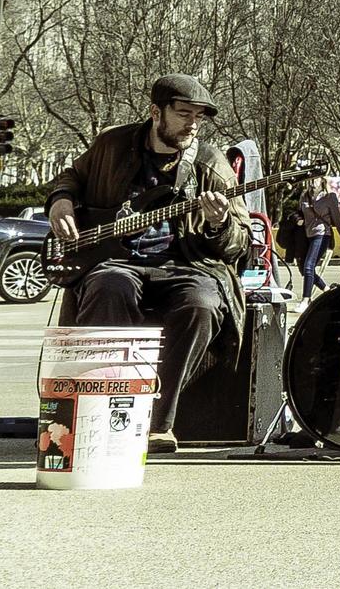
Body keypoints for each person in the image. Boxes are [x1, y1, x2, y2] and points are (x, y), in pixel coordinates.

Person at [45, 74, 250, 453]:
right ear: (156, 112)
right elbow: (71, 175)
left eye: (199, 117)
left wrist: (220, 224)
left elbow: (241, 244)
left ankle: (158, 421)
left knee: (202, 304)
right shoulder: (113, 144)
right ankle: (99, 408)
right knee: (108, 287)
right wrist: (60, 200)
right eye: (183, 113)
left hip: (187, 266)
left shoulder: (210, 162)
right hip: (116, 260)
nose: (192, 124)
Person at [297, 175, 340, 307]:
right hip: (306, 234)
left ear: (322, 180)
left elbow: (338, 219)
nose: (312, 182)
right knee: (304, 269)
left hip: (322, 234)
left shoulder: (329, 197)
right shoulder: (304, 195)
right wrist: (297, 219)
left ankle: (306, 300)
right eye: (310, 179)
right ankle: (327, 290)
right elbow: (298, 212)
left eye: (315, 179)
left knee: (309, 266)